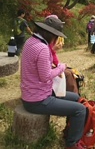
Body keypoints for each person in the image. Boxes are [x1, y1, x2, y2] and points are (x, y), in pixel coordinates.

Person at [20, 15, 88, 149]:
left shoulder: (31, 42)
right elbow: (46, 76)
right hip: (38, 100)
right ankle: (72, 144)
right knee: (80, 110)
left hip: (32, 93)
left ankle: (70, 131)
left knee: (76, 98)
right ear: (52, 35)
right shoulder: (43, 48)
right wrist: (61, 68)